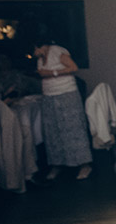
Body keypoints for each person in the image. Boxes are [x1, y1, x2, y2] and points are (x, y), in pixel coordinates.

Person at [34, 41, 92, 180]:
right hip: (49, 96)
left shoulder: (57, 51)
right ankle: (57, 164)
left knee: (73, 129)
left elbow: (73, 67)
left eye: (34, 49)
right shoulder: (40, 57)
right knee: (52, 131)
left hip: (66, 94)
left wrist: (52, 73)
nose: (34, 53)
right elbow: (41, 73)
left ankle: (84, 165)